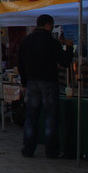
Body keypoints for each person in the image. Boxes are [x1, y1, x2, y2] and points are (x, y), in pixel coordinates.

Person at [18, 14, 73, 159]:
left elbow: (20, 64)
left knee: (31, 117)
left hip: (32, 82)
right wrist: (68, 47)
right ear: (48, 25)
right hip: (48, 81)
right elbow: (65, 62)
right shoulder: (51, 41)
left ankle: (28, 149)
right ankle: (51, 150)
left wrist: (24, 83)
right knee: (50, 117)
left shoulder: (26, 41)